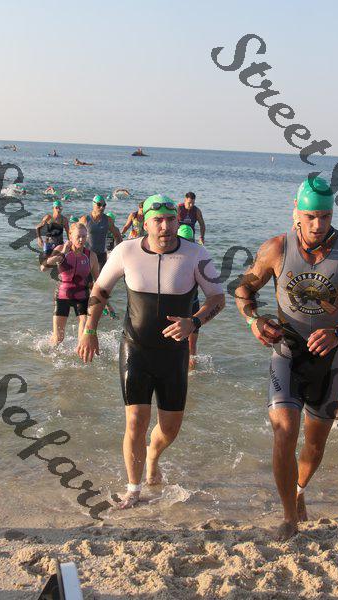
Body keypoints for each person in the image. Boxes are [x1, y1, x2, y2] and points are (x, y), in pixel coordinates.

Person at [235, 177, 338, 541]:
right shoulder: (276, 248)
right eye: (311, 216)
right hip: (287, 353)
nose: (318, 225)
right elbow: (243, 288)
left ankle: (300, 490)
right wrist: (254, 320)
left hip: (329, 359)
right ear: (296, 213)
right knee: (284, 431)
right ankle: (289, 516)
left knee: (314, 445)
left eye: (325, 216)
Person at [77, 194, 225, 509]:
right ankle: (133, 489)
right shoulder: (126, 251)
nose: (165, 227)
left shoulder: (196, 255)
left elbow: (217, 298)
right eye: (158, 220)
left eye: (171, 220)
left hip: (173, 355)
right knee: (135, 421)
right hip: (136, 349)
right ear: (145, 223)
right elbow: (100, 290)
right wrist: (90, 330)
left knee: (170, 428)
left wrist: (194, 323)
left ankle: (153, 457)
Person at [41, 222, 99, 345]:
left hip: (82, 296)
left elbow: (97, 282)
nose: (81, 240)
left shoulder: (91, 256)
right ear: (70, 236)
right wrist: (62, 254)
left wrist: (106, 303)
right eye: (78, 236)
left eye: (84, 236)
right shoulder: (60, 249)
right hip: (63, 295)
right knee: (58, 339)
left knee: (84, 337)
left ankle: (80, 355)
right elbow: (44, 267)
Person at [80, 195, 122, 318]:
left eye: (104, 205)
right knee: (89, 284)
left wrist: (118, 251)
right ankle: (102, 306)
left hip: (101, 256)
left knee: (101, 282)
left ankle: (104, 305)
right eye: (99, 205)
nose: (102, 207)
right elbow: (75, 233)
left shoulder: (107, 220)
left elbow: (117, 234)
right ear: (93, 204)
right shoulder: (85, 219)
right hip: (87, 256)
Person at [177, 224, 200, 370]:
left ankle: (190, 374)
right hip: (185, 305)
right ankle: (188, 372)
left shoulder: (197, 258)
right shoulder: (197, 256)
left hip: (189, 305)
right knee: (186, 346)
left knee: (190, 346)